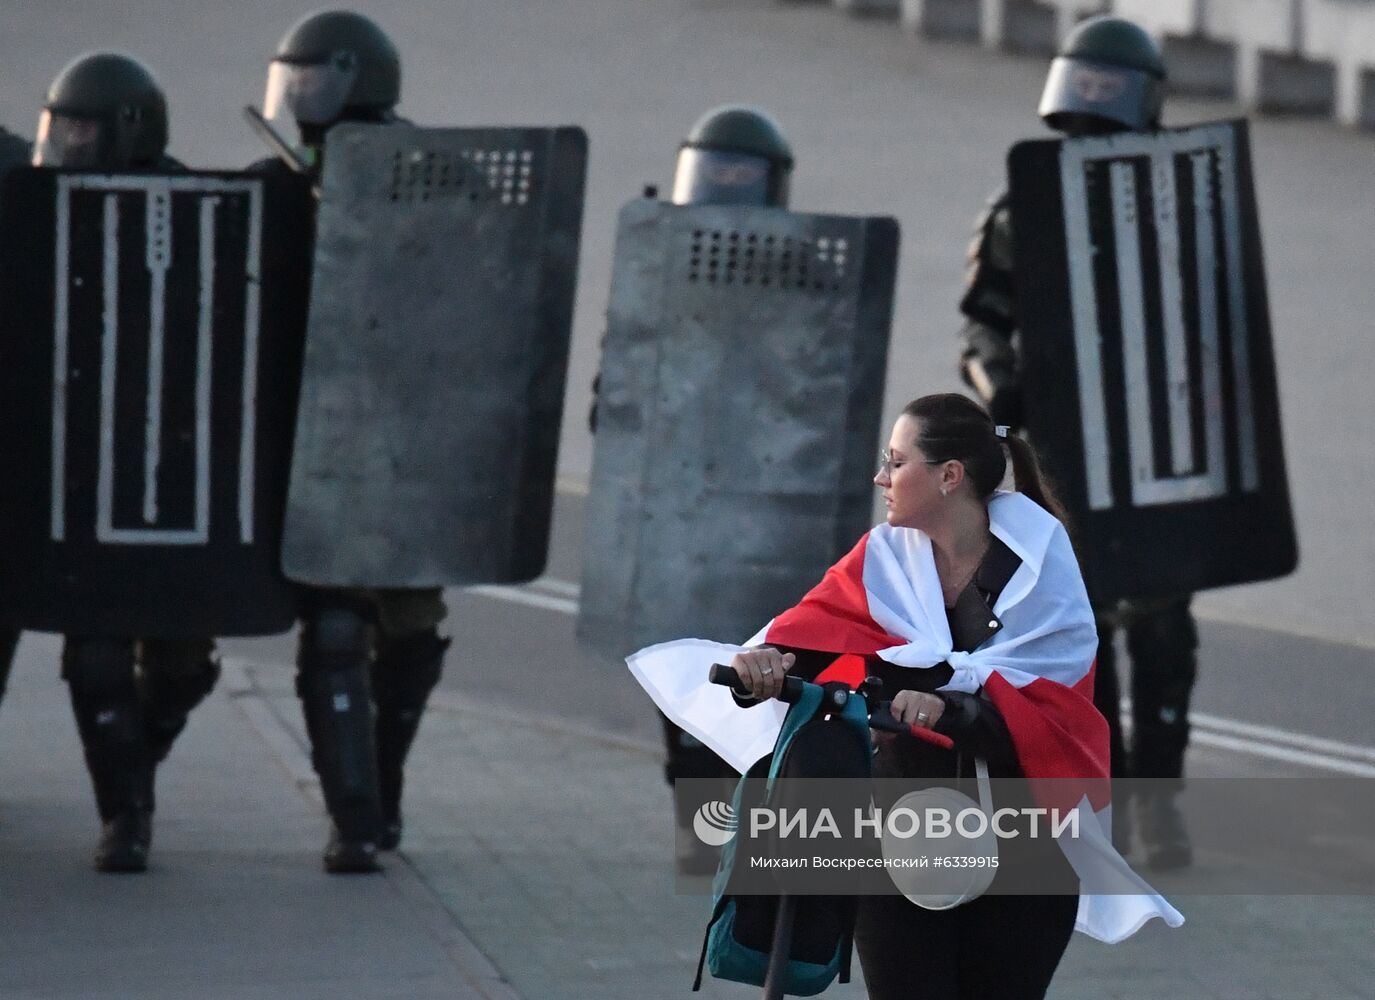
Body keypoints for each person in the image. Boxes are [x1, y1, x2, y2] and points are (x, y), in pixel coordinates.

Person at [723, 393, 1178, 998]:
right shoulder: (883, 560)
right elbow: (803, 644)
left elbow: (1058, 724)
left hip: (1027, 849)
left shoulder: (1043, 569)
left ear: (949, 477)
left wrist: (953, 710)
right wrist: (760, 670)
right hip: (900, 839)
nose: (879, 477)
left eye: (895, 462)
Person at [956, 14, 1194, 868]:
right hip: (1056, 457)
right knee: (1079, 637)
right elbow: (980, 327)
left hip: (1157, 445)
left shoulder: (1180, 201)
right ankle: (1106, 810)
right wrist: (1003, 391)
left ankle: (1159, 809)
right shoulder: (1023, 202)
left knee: (1163, 636)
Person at [251, 9, 450, 874]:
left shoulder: (430, 182)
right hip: (315, 441)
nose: (301, 100)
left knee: (408, 628)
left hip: (412, 440)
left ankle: (383, 796)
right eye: (291, 80)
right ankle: (357, 818)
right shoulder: (279, 183)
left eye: (317, 78)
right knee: (335, 628)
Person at [587, 104, 796, 875]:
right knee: (686, 679)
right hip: (678, 514)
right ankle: (701, 836)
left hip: (766, 518)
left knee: (757, 679)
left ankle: (730, 833)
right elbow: (611, 405)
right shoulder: (656, 278)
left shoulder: (801, 276)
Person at [31, 51, 221, 873]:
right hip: (79, 474)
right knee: (98, 655)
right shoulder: (38, 210)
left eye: (83, 127)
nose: (69, 142)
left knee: (181, 664)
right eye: (61, 126)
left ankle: (135, 768)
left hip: (177, 472)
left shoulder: (193, 210)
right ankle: (126, 816)